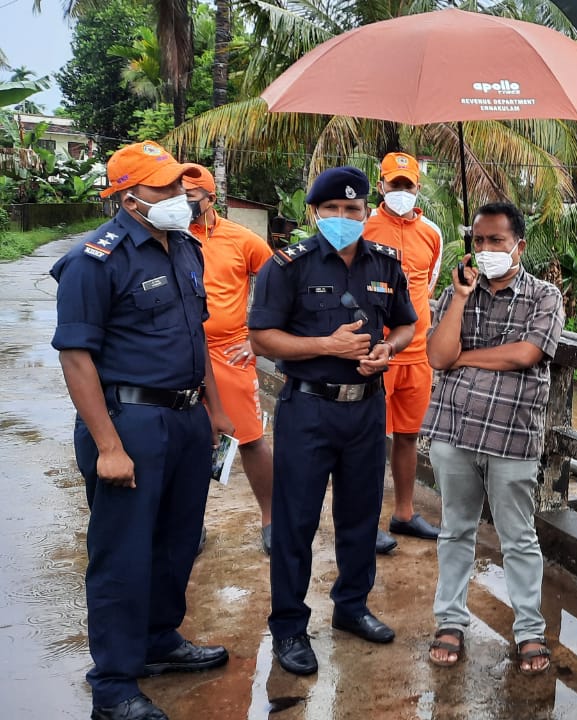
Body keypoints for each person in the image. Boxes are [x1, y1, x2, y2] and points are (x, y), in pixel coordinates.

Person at [51, 141, 234, 720]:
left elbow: (195, 337)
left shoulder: (184, 249)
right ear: (130, 198)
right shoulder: (93, 261)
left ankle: (160, 640)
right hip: (129, 421)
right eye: (165, 188)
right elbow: (77, 358)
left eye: (181, 184)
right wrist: (108, 445)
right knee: (122, 554)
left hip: (184, 418)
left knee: (178, 540)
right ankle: (113, 683)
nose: (181, 195)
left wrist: (215, 410)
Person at [248, 166, 417, 676]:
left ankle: (352, 606)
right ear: (314, 213)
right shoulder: (288, 266)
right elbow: (262, 338)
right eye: (332, 210)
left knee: (361, 515)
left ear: (367, 211)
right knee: (295, 521)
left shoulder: (386, 263)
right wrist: (327, 346)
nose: (343, 218)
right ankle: (290, 627)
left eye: (352, 209)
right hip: (309, 408)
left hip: (366, 407)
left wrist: (388, 347)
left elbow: (407, 323)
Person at [422, 202, 565, 674]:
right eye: (479, 241)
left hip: (512, 436)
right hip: (454, 429)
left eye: (497, 241)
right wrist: (461, 299)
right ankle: (450, 621)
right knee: (455, 529)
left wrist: (467, 357)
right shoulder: (457, 292)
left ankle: (528, 629)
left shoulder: (545, 296)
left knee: (518, 536)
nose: (486, 250)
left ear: (518, 245)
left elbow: (526, 353)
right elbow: (439, 356)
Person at [183, 165, 276, 553]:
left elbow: (278, 286)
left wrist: (257, 340)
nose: (182, 204)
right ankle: (189, 524)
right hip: (178, 354)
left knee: (250, 439)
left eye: (189, 197)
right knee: (187, 444)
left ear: (210, 198)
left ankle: (273, 520)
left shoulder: (242, 239)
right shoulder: (166, 238)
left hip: (229, 354)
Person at [363, 152, 445, 554]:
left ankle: (405, 512)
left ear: (417, 187)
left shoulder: (433, 233)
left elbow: (427, 285)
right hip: (376, 351)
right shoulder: (363, 226)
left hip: (418, 352)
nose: (400, 192)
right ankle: (366, 522)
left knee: (409, 435)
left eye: (406, 185)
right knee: (370, 437)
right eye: (393, 184)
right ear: (380, 186)